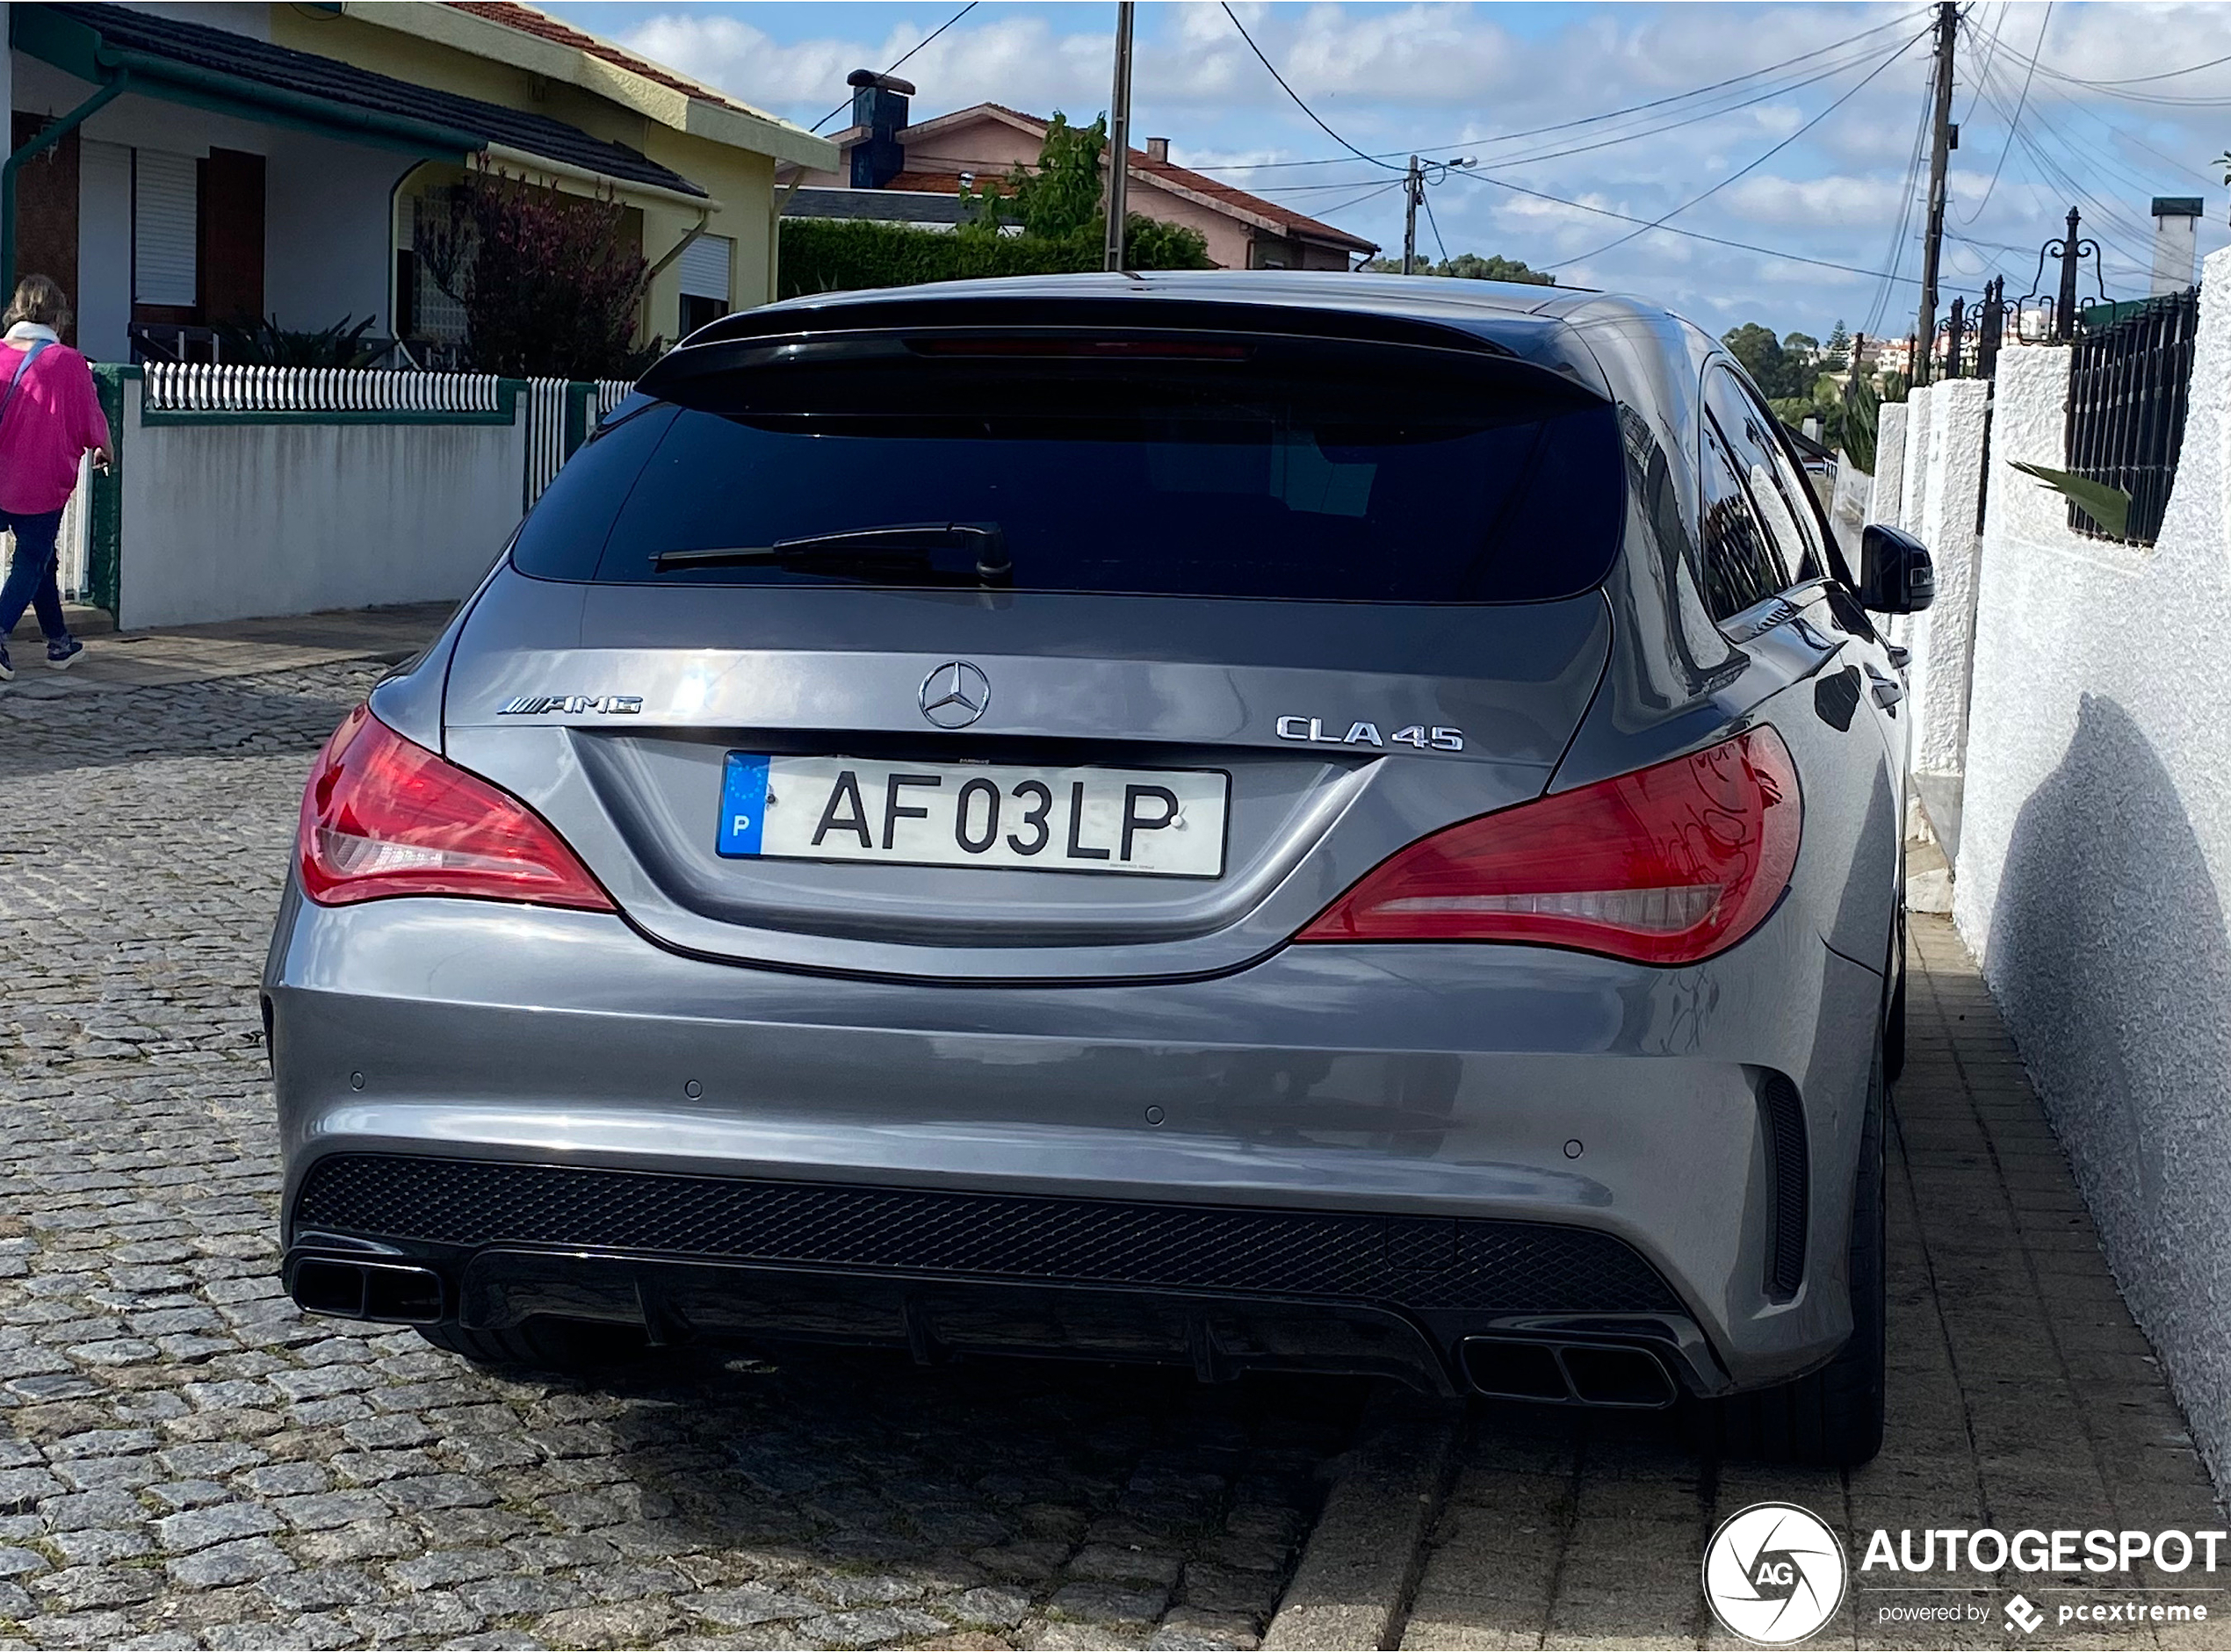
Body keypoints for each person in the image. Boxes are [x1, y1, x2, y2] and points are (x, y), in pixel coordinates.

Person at [0, 274, 112, 678]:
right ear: (58, 316)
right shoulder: (68, 362)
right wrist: (103, 444)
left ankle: (60, 643)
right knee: (32, 556)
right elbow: (88, 417)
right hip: (38, 479)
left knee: (42, 559)